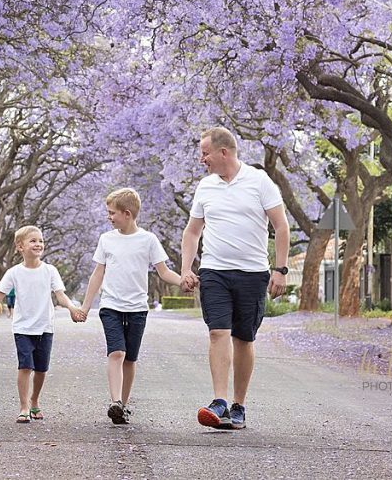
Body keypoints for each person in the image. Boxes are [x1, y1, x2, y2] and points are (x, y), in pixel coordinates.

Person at [180, 127, 290, 430]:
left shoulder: (259, 181)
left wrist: (280, 270)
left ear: (223, 152)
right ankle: (219, 400)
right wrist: (186, 268)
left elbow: (281, 227)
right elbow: (192, 231)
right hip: (214, 270)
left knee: (243, 338)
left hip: (253, 273)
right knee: (218, 332)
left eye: (205, 153)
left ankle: (239, 405)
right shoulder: (205, 187)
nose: (202, 159)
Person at [78, 188, 183, 425]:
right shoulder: (106, 239)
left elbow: (163, 271)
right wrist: (85, 307)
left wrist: (184, 281)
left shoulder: (148, 240)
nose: (109, 217)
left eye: (112, 213)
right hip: (111, 306)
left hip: (137, 308)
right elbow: (98, 273)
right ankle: (115, 401)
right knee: (117, 352)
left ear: (127, 214)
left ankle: (122, 406)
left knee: (130, 359)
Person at [0, 225, 83, 423]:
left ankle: (35, 400)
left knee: (41, 369)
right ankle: (24, 406)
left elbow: (60, 295)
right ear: (20, 246)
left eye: (41, 241)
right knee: (25, 366)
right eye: (33, 241)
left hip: (45, 327)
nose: (38, 244)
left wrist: (71, 308)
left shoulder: (50, 271)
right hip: (23, 328)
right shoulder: (14, 273)